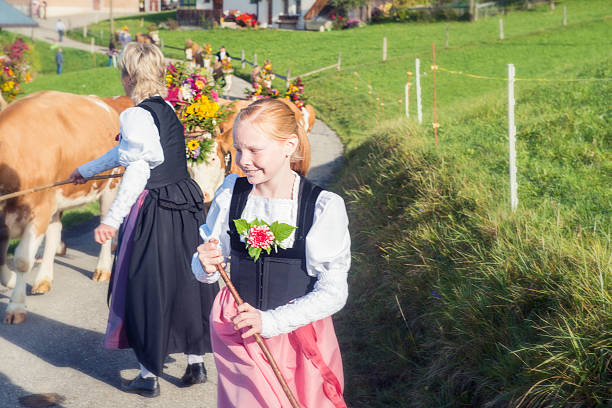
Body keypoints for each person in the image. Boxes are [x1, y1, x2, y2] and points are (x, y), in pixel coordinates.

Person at [68, 42, 219, 398]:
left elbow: (136, 168)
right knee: (187, 281)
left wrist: (112, 219)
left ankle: (148, 376)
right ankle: (196, 364)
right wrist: (86, 171)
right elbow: (126, 152)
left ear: (128, 76)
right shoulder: (164, 107)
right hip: (185, 202)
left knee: (146, 287)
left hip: (156, 209)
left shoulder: (135, 115)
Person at [193, 98, 350, 407]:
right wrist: (205, 263)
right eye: (239, 149)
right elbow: (206, 266)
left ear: (288, 145)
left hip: (298, 334)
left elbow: (334, 291)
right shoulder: (231, 192)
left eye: (254, 150)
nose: (243, 160)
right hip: (238, 330)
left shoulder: (321, 206)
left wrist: (272, 321)